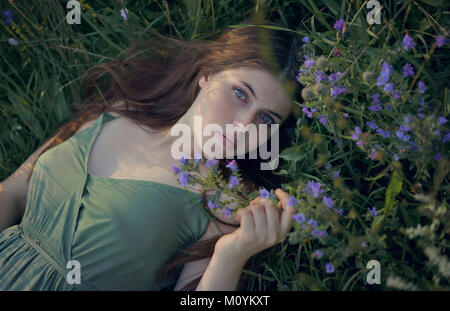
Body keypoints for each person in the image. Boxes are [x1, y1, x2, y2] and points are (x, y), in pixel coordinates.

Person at [0, 16, 303, 291]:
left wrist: (231, 256)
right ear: (207, 74)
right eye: (240, 93)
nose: (242, 125)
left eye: (266, 119)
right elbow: (13, 191)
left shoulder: (224, 206)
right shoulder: (118, 111)